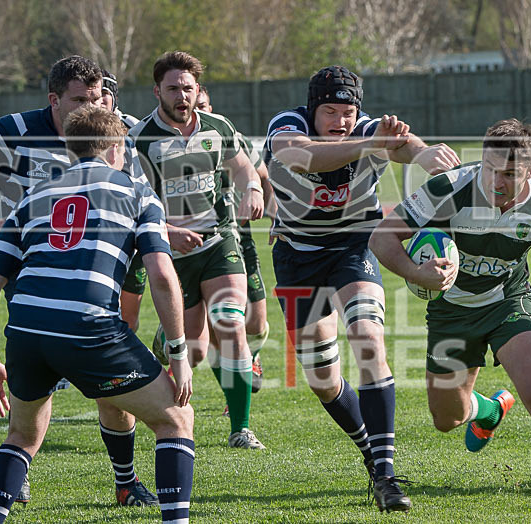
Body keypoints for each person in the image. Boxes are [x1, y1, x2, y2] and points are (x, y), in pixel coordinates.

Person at [369, 118, 531, 524]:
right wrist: (418, 274)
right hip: (451, 311)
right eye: (491, 169)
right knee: (447, 418)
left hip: (508, 304)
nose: (497, 181)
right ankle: (489, 411)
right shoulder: (449, 188)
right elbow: (382, 237)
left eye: (510, 173)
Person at [0, 55, 160, 506]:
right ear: (53, 100)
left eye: (97, 99)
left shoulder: (122, 128)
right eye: (78, 100)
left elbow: (149, 180)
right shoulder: (17, 128)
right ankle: (21, 471)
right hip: (35, 268)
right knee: (37, 380)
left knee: (112, 383)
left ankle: (125, 480)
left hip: (102, 270)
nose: (89, 110)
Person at [0, 105, 194, 524]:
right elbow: (162, 276)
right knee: (176, 419)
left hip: (26, 329)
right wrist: (179, 354)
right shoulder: (136, 191)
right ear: (117, 149)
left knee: (22, 436)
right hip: (89, 327)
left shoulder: (33, 197)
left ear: (70, 150)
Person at [265, 64, 461, 512]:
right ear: (313, 110)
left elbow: (404, 145)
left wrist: (424, 154)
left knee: (368, 340)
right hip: (296, 256)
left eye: (348, 111)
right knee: (321, 379)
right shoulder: (286, 125)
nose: (340, 120)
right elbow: (304, 156)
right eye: (330, 111)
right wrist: (372, 143)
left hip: (354, 246)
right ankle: (371, 453)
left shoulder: (370, 129)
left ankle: (386, 474)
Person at [130, 51, 266, 449]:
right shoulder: (140, 139)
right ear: (157, 90)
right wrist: (168, 232)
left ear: (197, 90)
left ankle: (240, 428)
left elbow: (242, 166)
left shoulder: (217, 126)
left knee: (230, 321)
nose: (181, 96)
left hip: (218, 240)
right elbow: (133, 200)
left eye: (187, 88)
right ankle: (166, 342)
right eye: (172, 88)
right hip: (169, 253)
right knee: (195, 348)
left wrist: (253, 189)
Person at [195, 84, 273, 394]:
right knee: (220, 327)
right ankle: (233, 392)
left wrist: (273, 215)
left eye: (204, 105)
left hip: (240, 239)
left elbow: (263, 177)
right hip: (197, 245)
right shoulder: (170, 143)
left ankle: (250, 356)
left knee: (256, 324)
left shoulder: (230, 138)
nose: (200, 112)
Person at [102, 69, 146, 332]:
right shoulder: (74, 128)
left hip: (131, 231)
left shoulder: (135, 129)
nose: (99, 100)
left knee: (128, 318)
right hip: (95, 231)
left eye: (105, 94)